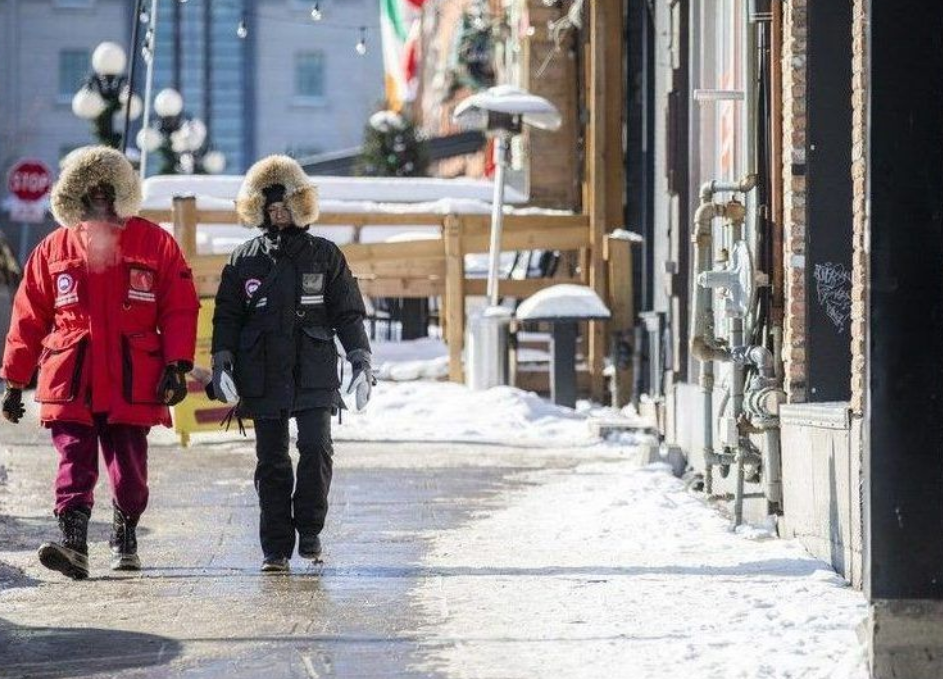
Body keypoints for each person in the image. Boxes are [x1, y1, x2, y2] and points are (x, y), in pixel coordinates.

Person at [0, 146, 199, 580]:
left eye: (108, 191)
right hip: (74, 375)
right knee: (74, 458)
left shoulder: (154, 242)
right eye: (91, 191)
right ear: (76, 195)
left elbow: (179, 305)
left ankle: (125, 528)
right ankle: (73, 544)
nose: (101, 199)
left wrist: (177, 364)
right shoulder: (54, 248)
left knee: (130, 471)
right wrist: (14, 380)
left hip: (133, 376)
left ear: (122, 193)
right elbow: (29, 315)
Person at [210, 155, 374, 573]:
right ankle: (276, 548)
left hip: (314, 369)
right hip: (262, 373)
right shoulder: (243, 260)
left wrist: (360, 358)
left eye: (285, 207)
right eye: (271, 208)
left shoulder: (325, 255)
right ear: (259, 210)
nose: (278, 215)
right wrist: (222, 362)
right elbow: (227, 317)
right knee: (271, 461)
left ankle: (311, 529)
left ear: (301, 207)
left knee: (316, 448)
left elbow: (348, 314)